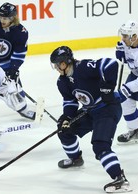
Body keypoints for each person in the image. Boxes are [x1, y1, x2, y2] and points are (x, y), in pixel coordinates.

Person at [50, 46, 131, 193]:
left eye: (58, 64)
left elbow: (110, 64)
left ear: (66, 62)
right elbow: (70, 101)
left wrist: (108, 87)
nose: (56, 67)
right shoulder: (62, 81)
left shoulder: (83, 67)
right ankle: (76, 159)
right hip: (91, 111)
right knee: (64, 130)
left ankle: (120, 178)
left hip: (108, 108)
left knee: (100, 145)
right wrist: (67, 117)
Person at [115, 20, 138, 144]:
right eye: (123, 35)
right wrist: (121, 54)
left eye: (125, 36)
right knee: (125, 101)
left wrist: (128, 88)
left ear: (135, 36)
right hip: (137, 74)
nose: (122, 38)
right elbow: (129, 61)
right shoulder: (130, 41)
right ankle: (135, 131)